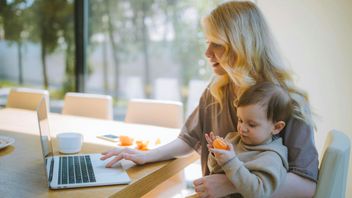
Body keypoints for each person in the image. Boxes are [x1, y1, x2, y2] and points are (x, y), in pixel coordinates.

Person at [100, 1, 318, 197]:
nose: (207, 53)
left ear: (241, 46)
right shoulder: (216, 91)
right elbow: (188, 140)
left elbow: (306, 185)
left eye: (217, 44)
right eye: (207, 42)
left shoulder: (290, 103)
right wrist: (147, 155)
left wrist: (231, 183)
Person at [206, 82, 292, 198]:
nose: (242, 128)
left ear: (276, 127)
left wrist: (230, 162)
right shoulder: (233, 139)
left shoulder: (271, 158)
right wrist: (215, 154)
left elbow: (258, 193)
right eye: (240, 120)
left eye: (251, 125)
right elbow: (215, 170)